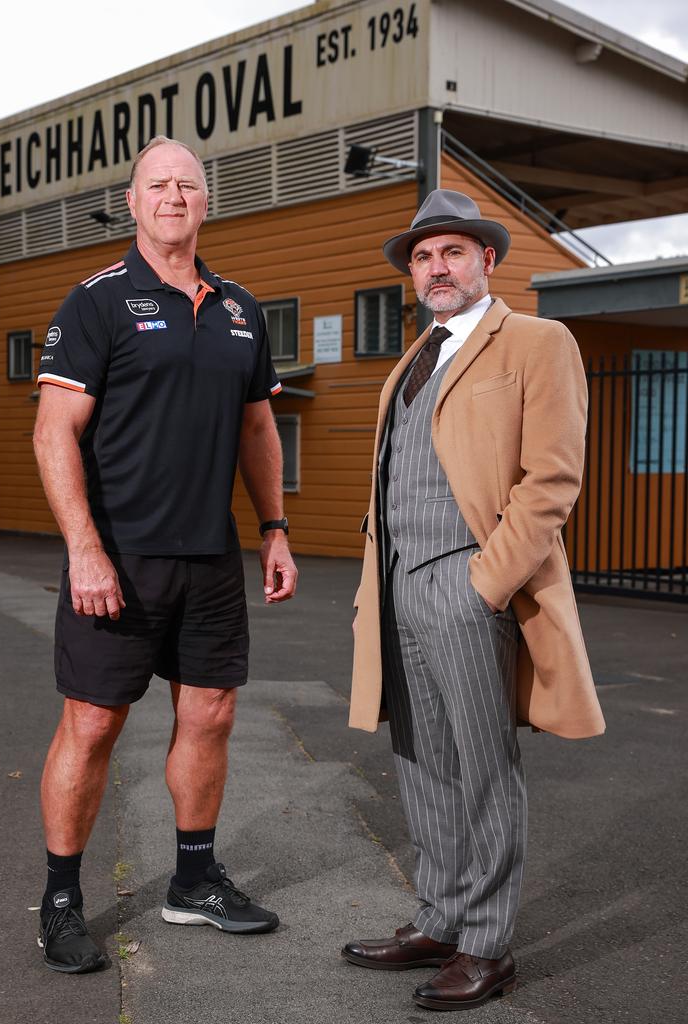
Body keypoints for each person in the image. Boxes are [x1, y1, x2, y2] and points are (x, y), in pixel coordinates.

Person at [32, 135, 297, 973]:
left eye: (189, 184)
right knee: (94, 722)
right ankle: (62, 901)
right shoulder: (95, 302)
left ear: (207, 202)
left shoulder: (239, 308)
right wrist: (84, 549)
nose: (174, 195)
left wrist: (275, 527)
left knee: (211, 715)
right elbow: (52, 434)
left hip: (209, 558)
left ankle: (194, 882)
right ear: (134, 201)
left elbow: (258, 428)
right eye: (159, 184)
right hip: (117, 557)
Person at [343, 190, 605, 1011]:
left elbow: (552, 479)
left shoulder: (535, 340)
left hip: (466, 583)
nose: (436, 267)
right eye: (423, 257)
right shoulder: (411, 360)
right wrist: (372, 592)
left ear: (488, 260)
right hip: (396, 590)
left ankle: (488, 947)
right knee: (422, 763)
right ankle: (441, 918)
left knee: (484, 769)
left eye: (452, 252)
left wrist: (483, 583)